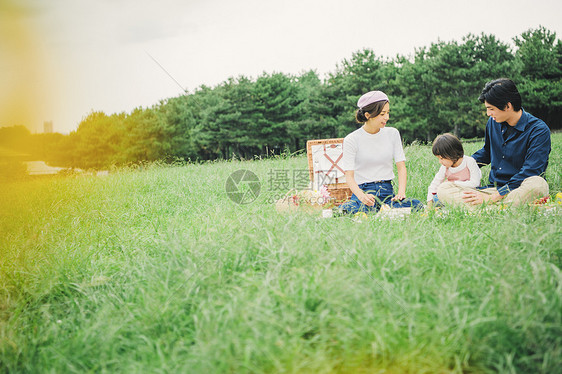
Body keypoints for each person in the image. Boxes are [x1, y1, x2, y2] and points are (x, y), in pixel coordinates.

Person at [437, 78, 551, 207]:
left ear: (508, 106)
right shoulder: (493, 122)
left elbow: (531, 171)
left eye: (491, 109)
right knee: (444, 188)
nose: (488, 113)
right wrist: (459, 164)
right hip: (492, 190)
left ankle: (487, 208)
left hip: (518, 189)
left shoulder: (539, 130)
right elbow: (487, 152)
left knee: (538, 184)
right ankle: (498, 209)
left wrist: (493, 198)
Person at [339, 90, 422, 214]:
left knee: (416, 205)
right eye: (382, 114)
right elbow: (349, 176)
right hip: (364, 192)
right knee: (352, 209)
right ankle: (369, 209)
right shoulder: (351, 139)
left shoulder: (393, 133)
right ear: (368, 115)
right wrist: (362, 197)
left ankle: (381, 210)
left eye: (388, 113)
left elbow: (401, 167)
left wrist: (401, 193)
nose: (387, 117)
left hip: (387, 191)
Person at [426, 133, 481, 205]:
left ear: (452, 153)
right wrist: (429, 201)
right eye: (438, 159)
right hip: (452, 193)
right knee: (436, 198)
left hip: (468, 192)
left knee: (471, 197)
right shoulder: (445, 167)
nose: (440, 162)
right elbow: (435, 183)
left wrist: (454, 184)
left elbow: (475, 183)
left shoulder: (469, 162)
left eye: (442, 158)